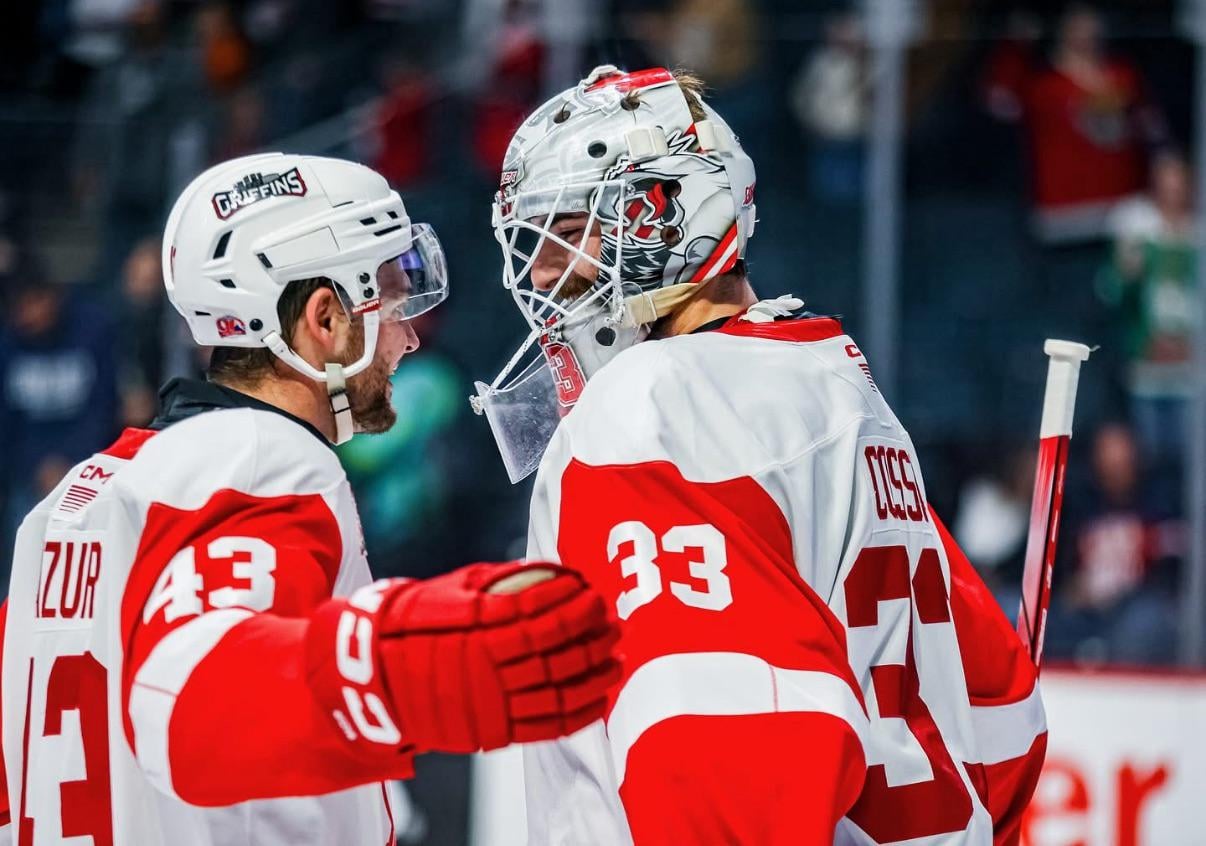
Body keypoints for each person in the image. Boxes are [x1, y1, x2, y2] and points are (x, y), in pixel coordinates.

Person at [474, 66, 1047, 844]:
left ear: (665, 217)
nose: (540, 277)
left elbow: (725, 739)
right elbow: (1004, 714)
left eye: (569, 235)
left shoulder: (652, 405)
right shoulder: (839, 387)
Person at [0, 152, 620, 845]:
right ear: (325, 319)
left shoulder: (73, 501)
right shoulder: (262, 457)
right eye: (389, 300)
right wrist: (406, 668)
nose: (409, 335)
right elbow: (190, 709)